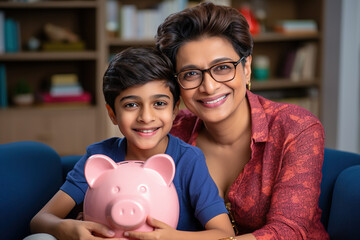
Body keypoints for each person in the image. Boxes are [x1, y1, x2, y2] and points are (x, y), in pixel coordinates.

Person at [152, 2, 330, 240]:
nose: (209, 86)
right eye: (191, 74)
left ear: (246, 68)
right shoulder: (173, 131)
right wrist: (84, 219)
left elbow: (287, 232)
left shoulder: (295, 127)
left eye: (223, 67)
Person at [29, 47, 234, 240]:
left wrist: (175, 237)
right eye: (131, 105)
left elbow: (224, 233)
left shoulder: (188, 160)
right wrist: (67, 228)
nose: (146, 117)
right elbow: (40, 220)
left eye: (159, 103)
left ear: (174, 110)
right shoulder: (99, 157)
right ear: (113, 114)